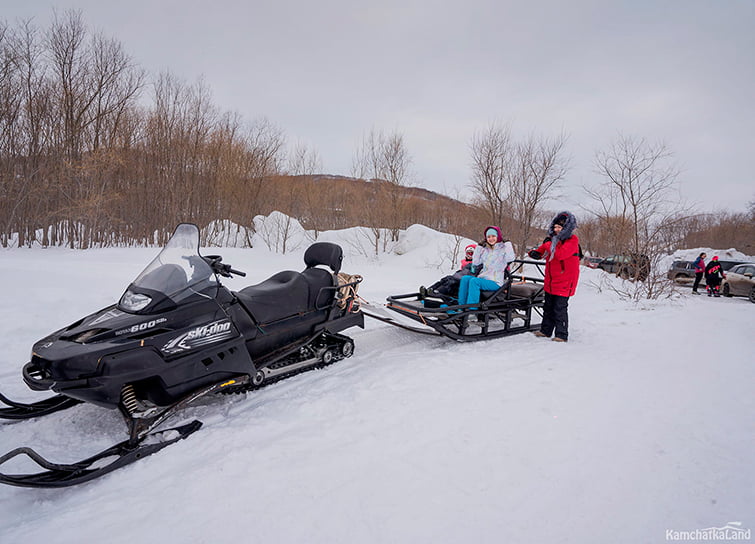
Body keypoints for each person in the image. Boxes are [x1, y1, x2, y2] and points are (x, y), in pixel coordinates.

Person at [527, 211, 580, 342]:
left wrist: (547, 244)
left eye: (559, 228)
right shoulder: (552, 240)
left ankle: (561, 334)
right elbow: (541, 251)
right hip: (551, 280)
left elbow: (560, 254)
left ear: (566, 228)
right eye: (555, 227)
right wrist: (534, 253)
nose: (556, 230)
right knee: (548, 306)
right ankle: (546, 330)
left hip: (565, 280)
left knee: (559, 308)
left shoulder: (572, 240)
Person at [456, 226, 515, 308]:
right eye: (488, 237)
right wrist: (479, 247)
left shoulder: (503, 249)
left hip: (495, 282)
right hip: (484, 279)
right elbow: (476, 263)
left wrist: (508, 244)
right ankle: (461, 306)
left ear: (498, 236)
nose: (491, 239)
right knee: (465, 278)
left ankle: (472, 311)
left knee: (474, 281)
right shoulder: (486, 250)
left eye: (493, 236)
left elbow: (510, 258)